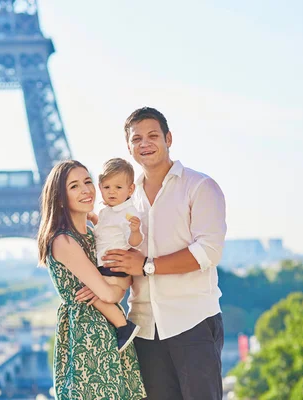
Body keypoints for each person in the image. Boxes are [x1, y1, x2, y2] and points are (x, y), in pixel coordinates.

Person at [102, 107, 228, 400]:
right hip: (144, 328)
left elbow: (208, 251)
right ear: (129, 147)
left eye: (153, 135)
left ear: (168, 138)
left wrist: (147, 265)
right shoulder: (126, 200)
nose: (145, 143)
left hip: (193, 322)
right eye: (137, 139)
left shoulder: (200, 186)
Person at [37, 160, 146, 400]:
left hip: (110, 332)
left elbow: (122, 281)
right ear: (60, 198)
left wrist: (114, 288)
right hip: (87, 336)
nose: (86, 190)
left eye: (88, 181)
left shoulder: (94, 234)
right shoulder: (63, 241)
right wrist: (112, 290)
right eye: (74, 186)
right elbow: (111, 293)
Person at [88, 158, 143, 293]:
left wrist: (135, 231)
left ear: (130, 189)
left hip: (114, 268)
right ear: (100, 188)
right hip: (103, 265)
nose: (112, 191)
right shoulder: (106, 211)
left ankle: (117, 316)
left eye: (118, 187)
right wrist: (93, 218)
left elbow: (134, 243)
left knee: (100, 298)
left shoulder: (128, 213)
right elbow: (105, 230)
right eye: (107, 187)